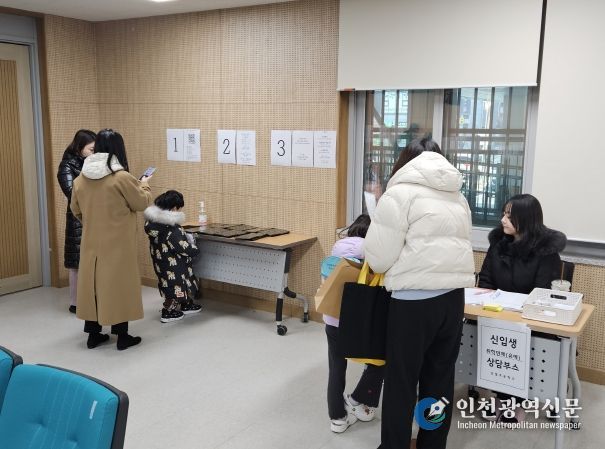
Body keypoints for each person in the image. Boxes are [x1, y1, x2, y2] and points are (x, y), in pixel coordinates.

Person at [363, 138, 475, 449]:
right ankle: (431, 444)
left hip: (413, 302)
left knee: (401, 382)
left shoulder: (399, 194)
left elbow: (378, 259)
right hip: (453, 300)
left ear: (404, 162)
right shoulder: (458, 196)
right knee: (439, 380)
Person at [477, 193, 567, 423]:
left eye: (509, 216)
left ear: (526, 219)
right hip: (498, 313)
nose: (502, 220)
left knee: (518, 338)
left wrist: (517, 312)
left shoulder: (546, 252)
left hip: (530, 320)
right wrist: (488, 303)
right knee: (489, 335)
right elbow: (485, 279)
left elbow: (543, 294)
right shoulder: (498, 244)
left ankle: (516, 401)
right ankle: (499, 395)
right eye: (503, 214)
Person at [70, 129, 152, 350]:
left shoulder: (81, 179)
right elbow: (141, 202)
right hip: (119, 244)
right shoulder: (121, 178)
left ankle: (93, 335)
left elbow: (76, 209)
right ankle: (122, 336)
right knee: (118, 286)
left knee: (93, 286)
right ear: (118, 149)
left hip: (91, 242)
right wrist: (144, 184)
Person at [323, 214, 385, 433]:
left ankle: (337, 419)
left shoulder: (336, 251)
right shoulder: (371, 252)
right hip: (359, 321)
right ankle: (358, 399)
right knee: (379, 360)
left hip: (332, 320)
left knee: (336, 369)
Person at [144, 190, 202, 323]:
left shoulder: (153, 223)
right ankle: (168, 312)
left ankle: (186, 303)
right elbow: (182, 247)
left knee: (170, 284)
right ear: (174, 207)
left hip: (161, 262)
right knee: (177, 285)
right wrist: (195, 249)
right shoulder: (171, 228)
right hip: (175, 264)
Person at [57, 129, 96, 314]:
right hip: (77, 218)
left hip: (95, 215)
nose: (93, 154)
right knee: (77, 262)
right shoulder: (66, 165)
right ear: (79, 147)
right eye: (91, 150)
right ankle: (76, 303)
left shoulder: (93, 163)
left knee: (92, 261)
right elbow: (72, 193)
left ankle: (92, 299)